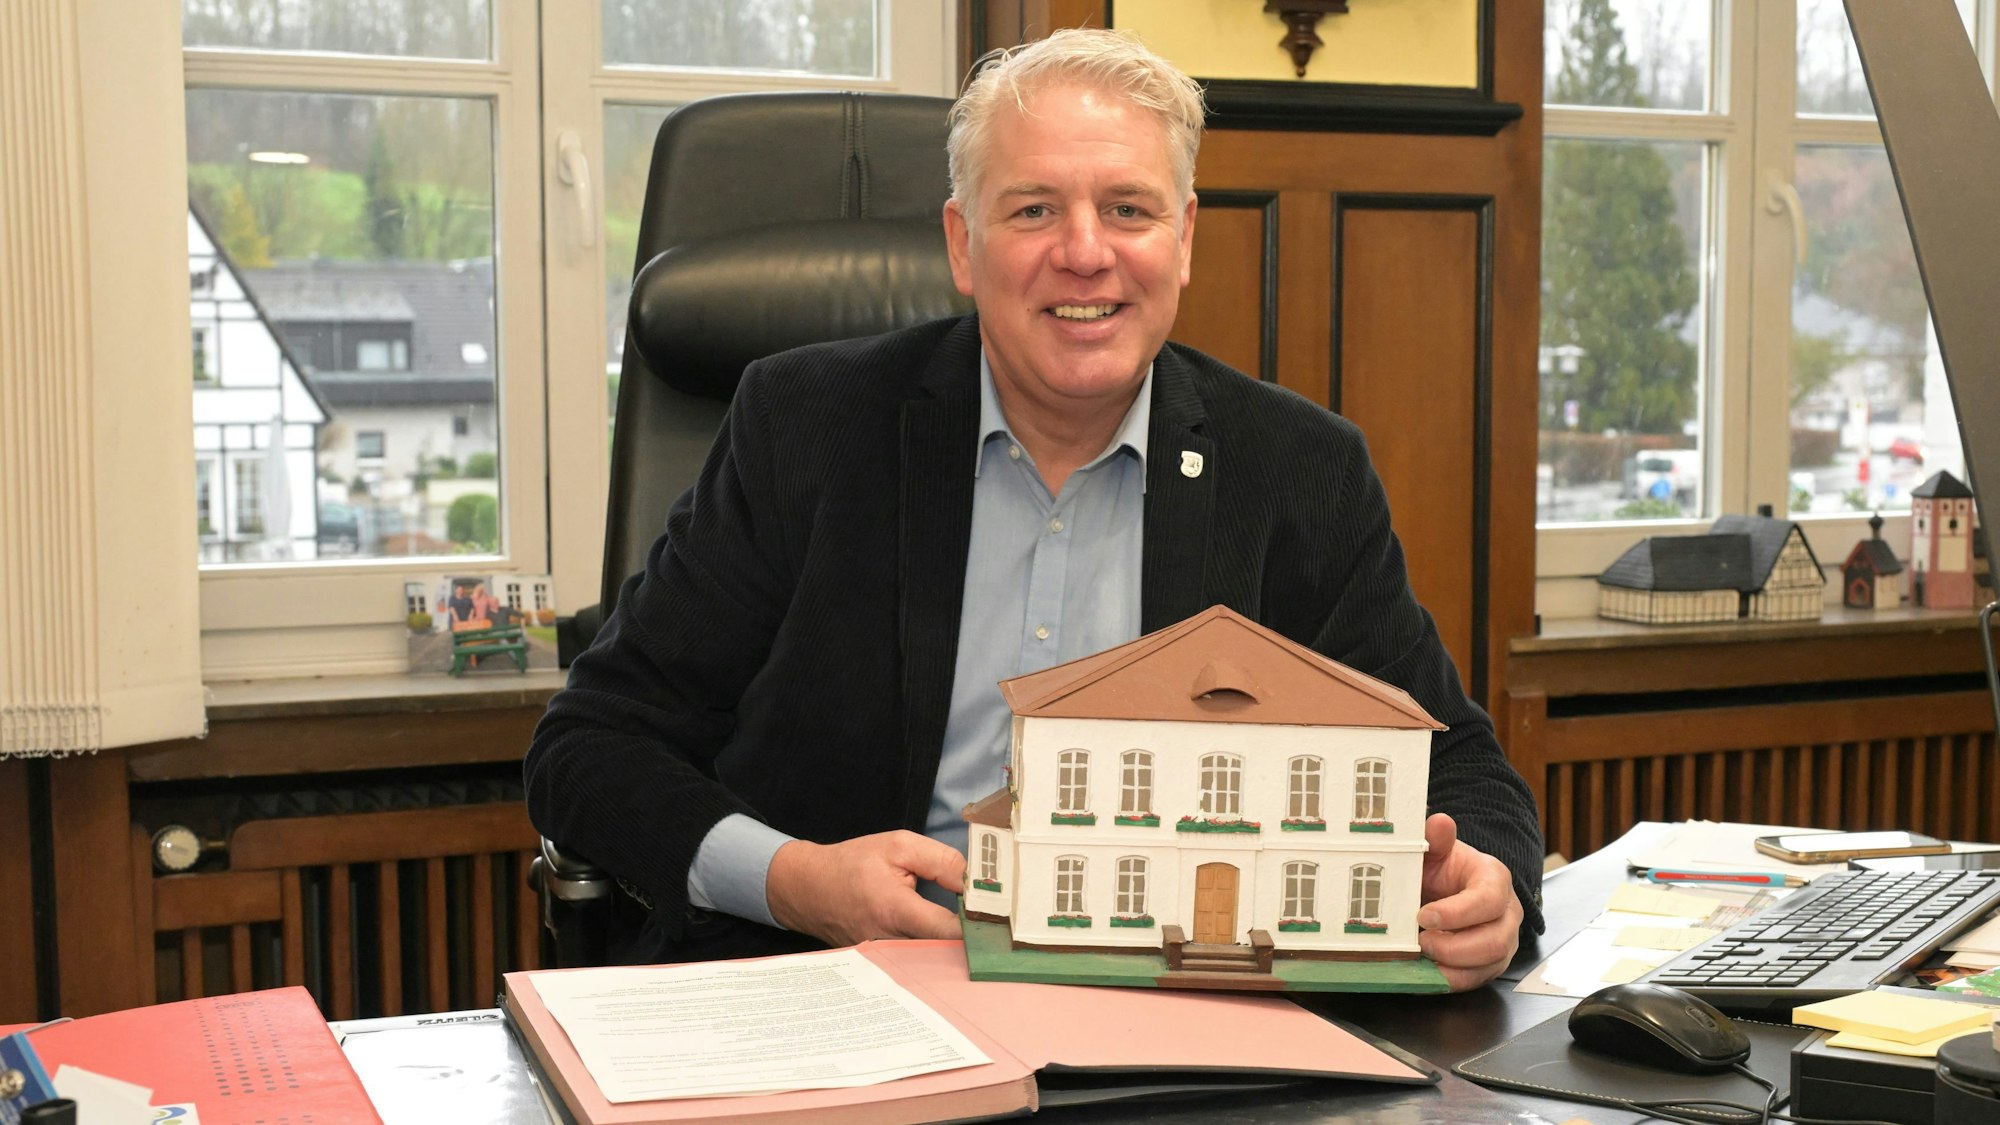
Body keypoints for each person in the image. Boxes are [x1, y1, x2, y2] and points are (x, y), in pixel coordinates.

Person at [526, 28, 1542, 991]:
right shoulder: (805, 428)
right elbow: (591, 747)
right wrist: (797, 882)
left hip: (1178, 1019)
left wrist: (1487, 884)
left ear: (1182, 239)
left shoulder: (1295, 470)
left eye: (1128, 210)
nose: (1084, 252)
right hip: (835, 999)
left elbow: (1455, 765)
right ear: (963, 246)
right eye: (1033, 211)